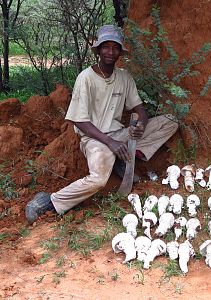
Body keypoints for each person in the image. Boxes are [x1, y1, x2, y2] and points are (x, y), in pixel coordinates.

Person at [25, 25, 178, 224]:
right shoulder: (85, 78)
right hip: (94, 139)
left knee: (170, 121)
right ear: (98, 50)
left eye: (115, 48)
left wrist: (141, 123)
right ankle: (50, 200)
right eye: (106, 47)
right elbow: (79, 119)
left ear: (120, 52)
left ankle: (128, 157)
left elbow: (140, 108)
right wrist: (110, 143)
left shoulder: (124, 77)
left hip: (119, 135)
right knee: (98, 179)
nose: (110, 52)